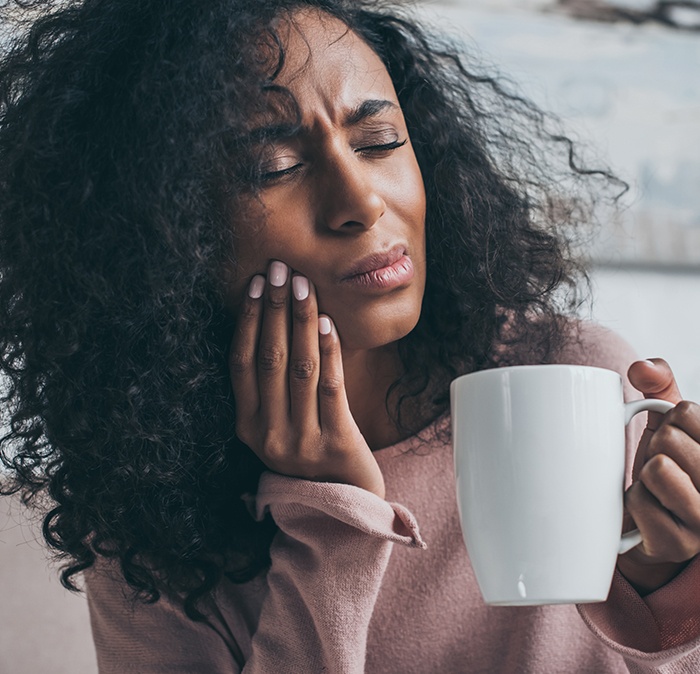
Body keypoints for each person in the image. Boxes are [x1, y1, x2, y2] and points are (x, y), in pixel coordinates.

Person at [1, 0, 699, 671]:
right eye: (274, 168)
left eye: (379, 142)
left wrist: (666, 599)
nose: (361, 203)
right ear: (163, 238)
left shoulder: (581, 379)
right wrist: (332, 521)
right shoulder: (141, 512)